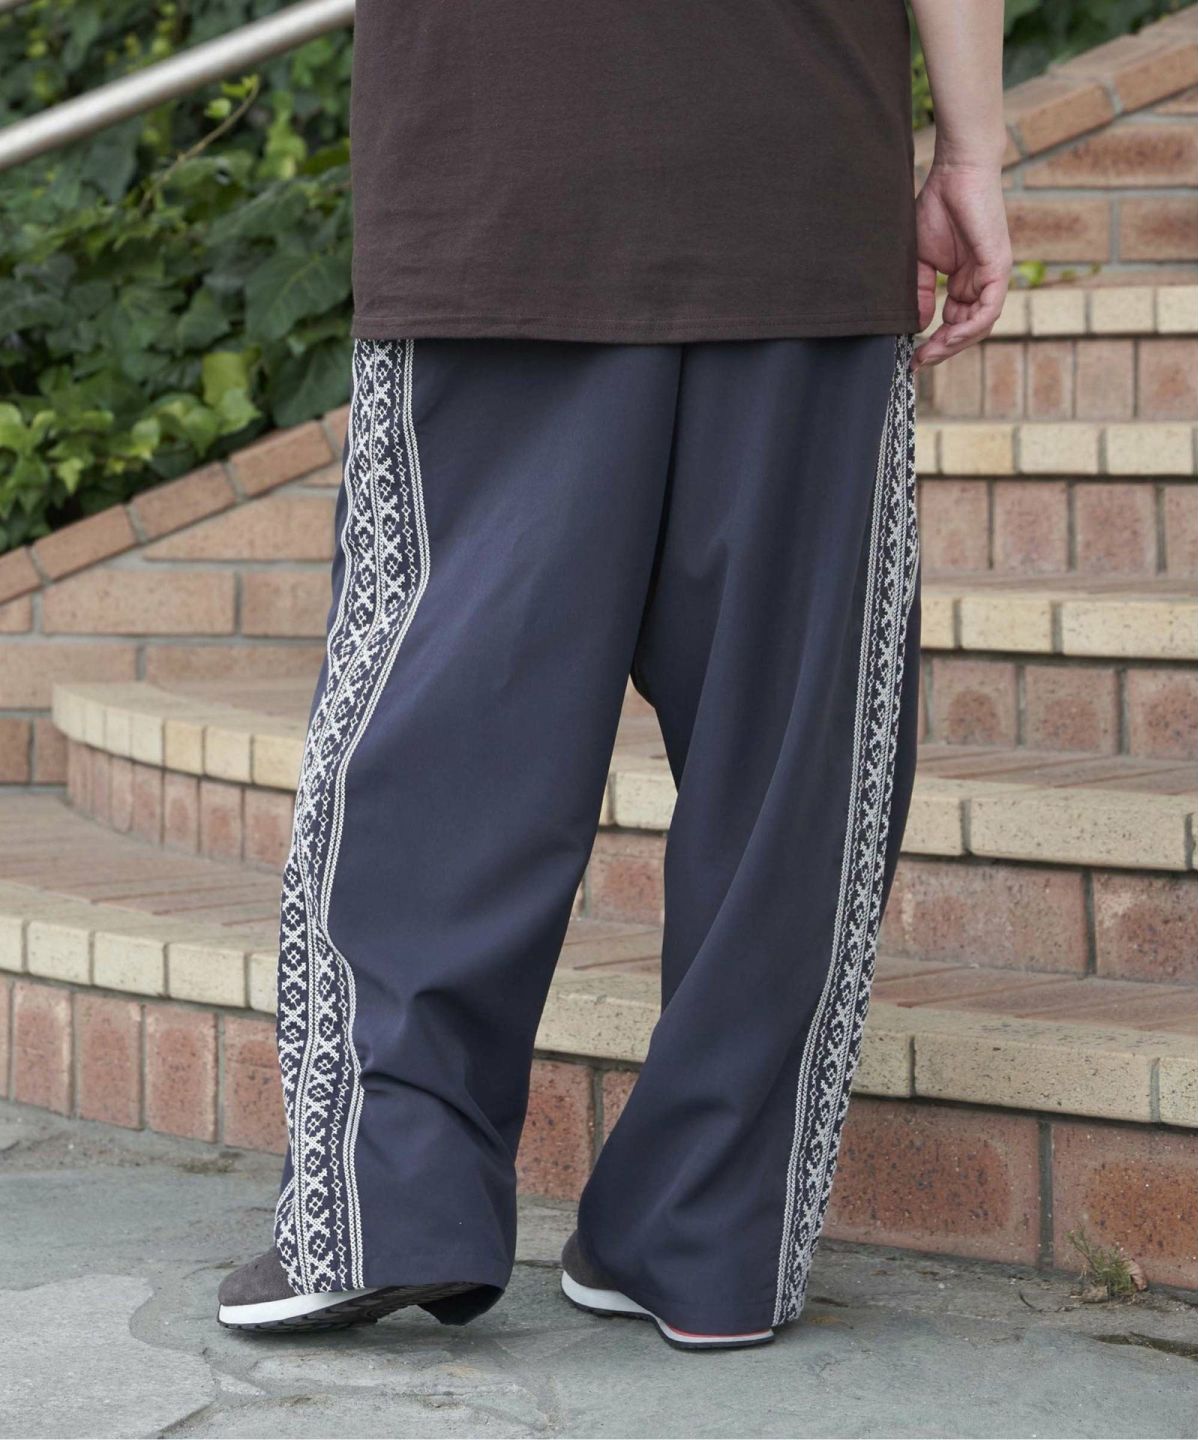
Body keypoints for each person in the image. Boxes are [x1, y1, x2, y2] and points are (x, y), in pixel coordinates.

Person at [217, 0, 1011, 1350]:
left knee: (443, 731)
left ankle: (385, 1203)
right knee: (791, 758)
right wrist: (973, 151)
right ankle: (706, 1238)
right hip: (798, 163)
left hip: (502, 160)